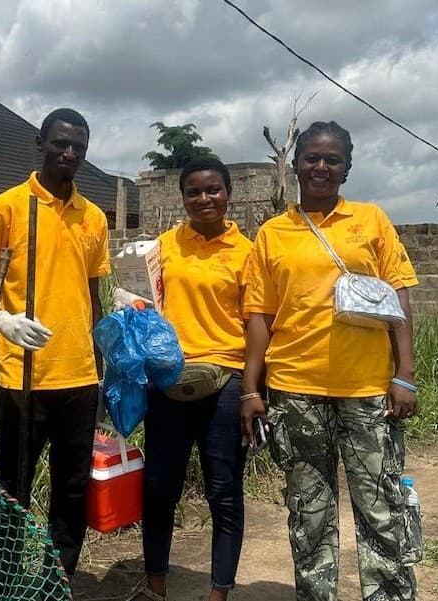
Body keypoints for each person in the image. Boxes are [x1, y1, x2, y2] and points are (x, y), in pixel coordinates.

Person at [241, 121, 419, 601]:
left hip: (366, 389)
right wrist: (252, 390)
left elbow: (398, 298)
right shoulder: (272, 234)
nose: (321, 167)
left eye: (332, 159)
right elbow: (260, 315)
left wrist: (405, 375)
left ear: (347, 168)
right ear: (295, 163)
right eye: (311, 158)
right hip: (295, 389)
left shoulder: (371, 221)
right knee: (308, 511)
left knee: (381, 506)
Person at [0, 107, 110, 576]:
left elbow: (93, 293)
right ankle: (4, 577)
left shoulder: (93, 216)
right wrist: (1, 318)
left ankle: (58, 577)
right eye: (60, 144)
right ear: (41, 144)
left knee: (72, 486)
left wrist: (103, 352)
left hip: (80, 374)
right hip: (23, 374)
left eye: (78, 148)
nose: (69, 153)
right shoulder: (6, 207)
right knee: (13, 484)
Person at [119, 158, 251, 601]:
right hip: (168, 381)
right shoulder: (162, 247)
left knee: (223, 490)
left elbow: (257, 325)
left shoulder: (248, 253)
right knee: (158, 488)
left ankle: (219, 593)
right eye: (194, 192)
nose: (204, 199)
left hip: (226, 382)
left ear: (228, 194)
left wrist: (255, 388)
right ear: (183, 198)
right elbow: (146, 305)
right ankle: (155, 585)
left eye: (213, 190)